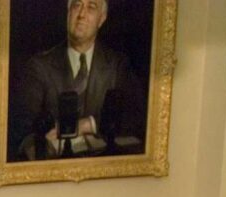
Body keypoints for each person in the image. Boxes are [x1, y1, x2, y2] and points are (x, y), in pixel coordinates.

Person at [8, 0, 144, 161]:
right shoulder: (39, 67)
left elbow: (137, 116)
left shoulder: (117, 65)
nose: (81, 15)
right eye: (77, 5)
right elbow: (21, 129)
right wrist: (39, 148)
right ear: (68, 13)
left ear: (101, 19)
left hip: (103, 168)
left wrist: (88, 124)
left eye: (91, 7)